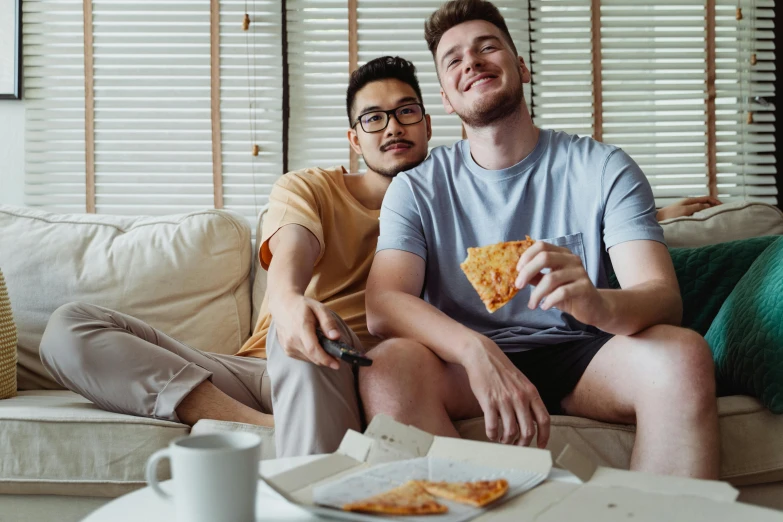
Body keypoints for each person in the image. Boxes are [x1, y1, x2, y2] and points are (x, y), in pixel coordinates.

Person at [360, 0, 720, 479]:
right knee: (383, 367)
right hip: (468, 368)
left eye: (488, 47)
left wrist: (596, 303)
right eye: (454, 60)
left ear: (521, 67)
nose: (471, 61)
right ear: (445, 99)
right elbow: (383, 303)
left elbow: (661, 298)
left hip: (585, 356)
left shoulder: (604, 168)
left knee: (683, 354)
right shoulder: (416, 188)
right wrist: (474, 351)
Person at [39, 56, 432, 458]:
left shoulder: (449, 199)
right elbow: (293, 251)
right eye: (373, 118)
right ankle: (268, 425)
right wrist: (288, 303)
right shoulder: (310, 187)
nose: (393, 127)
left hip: (352, 370)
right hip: (261, 370)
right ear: (354, 139)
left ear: (427, 123)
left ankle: (302, 440)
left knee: (315, 330)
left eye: (406, 111)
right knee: (69, 328)